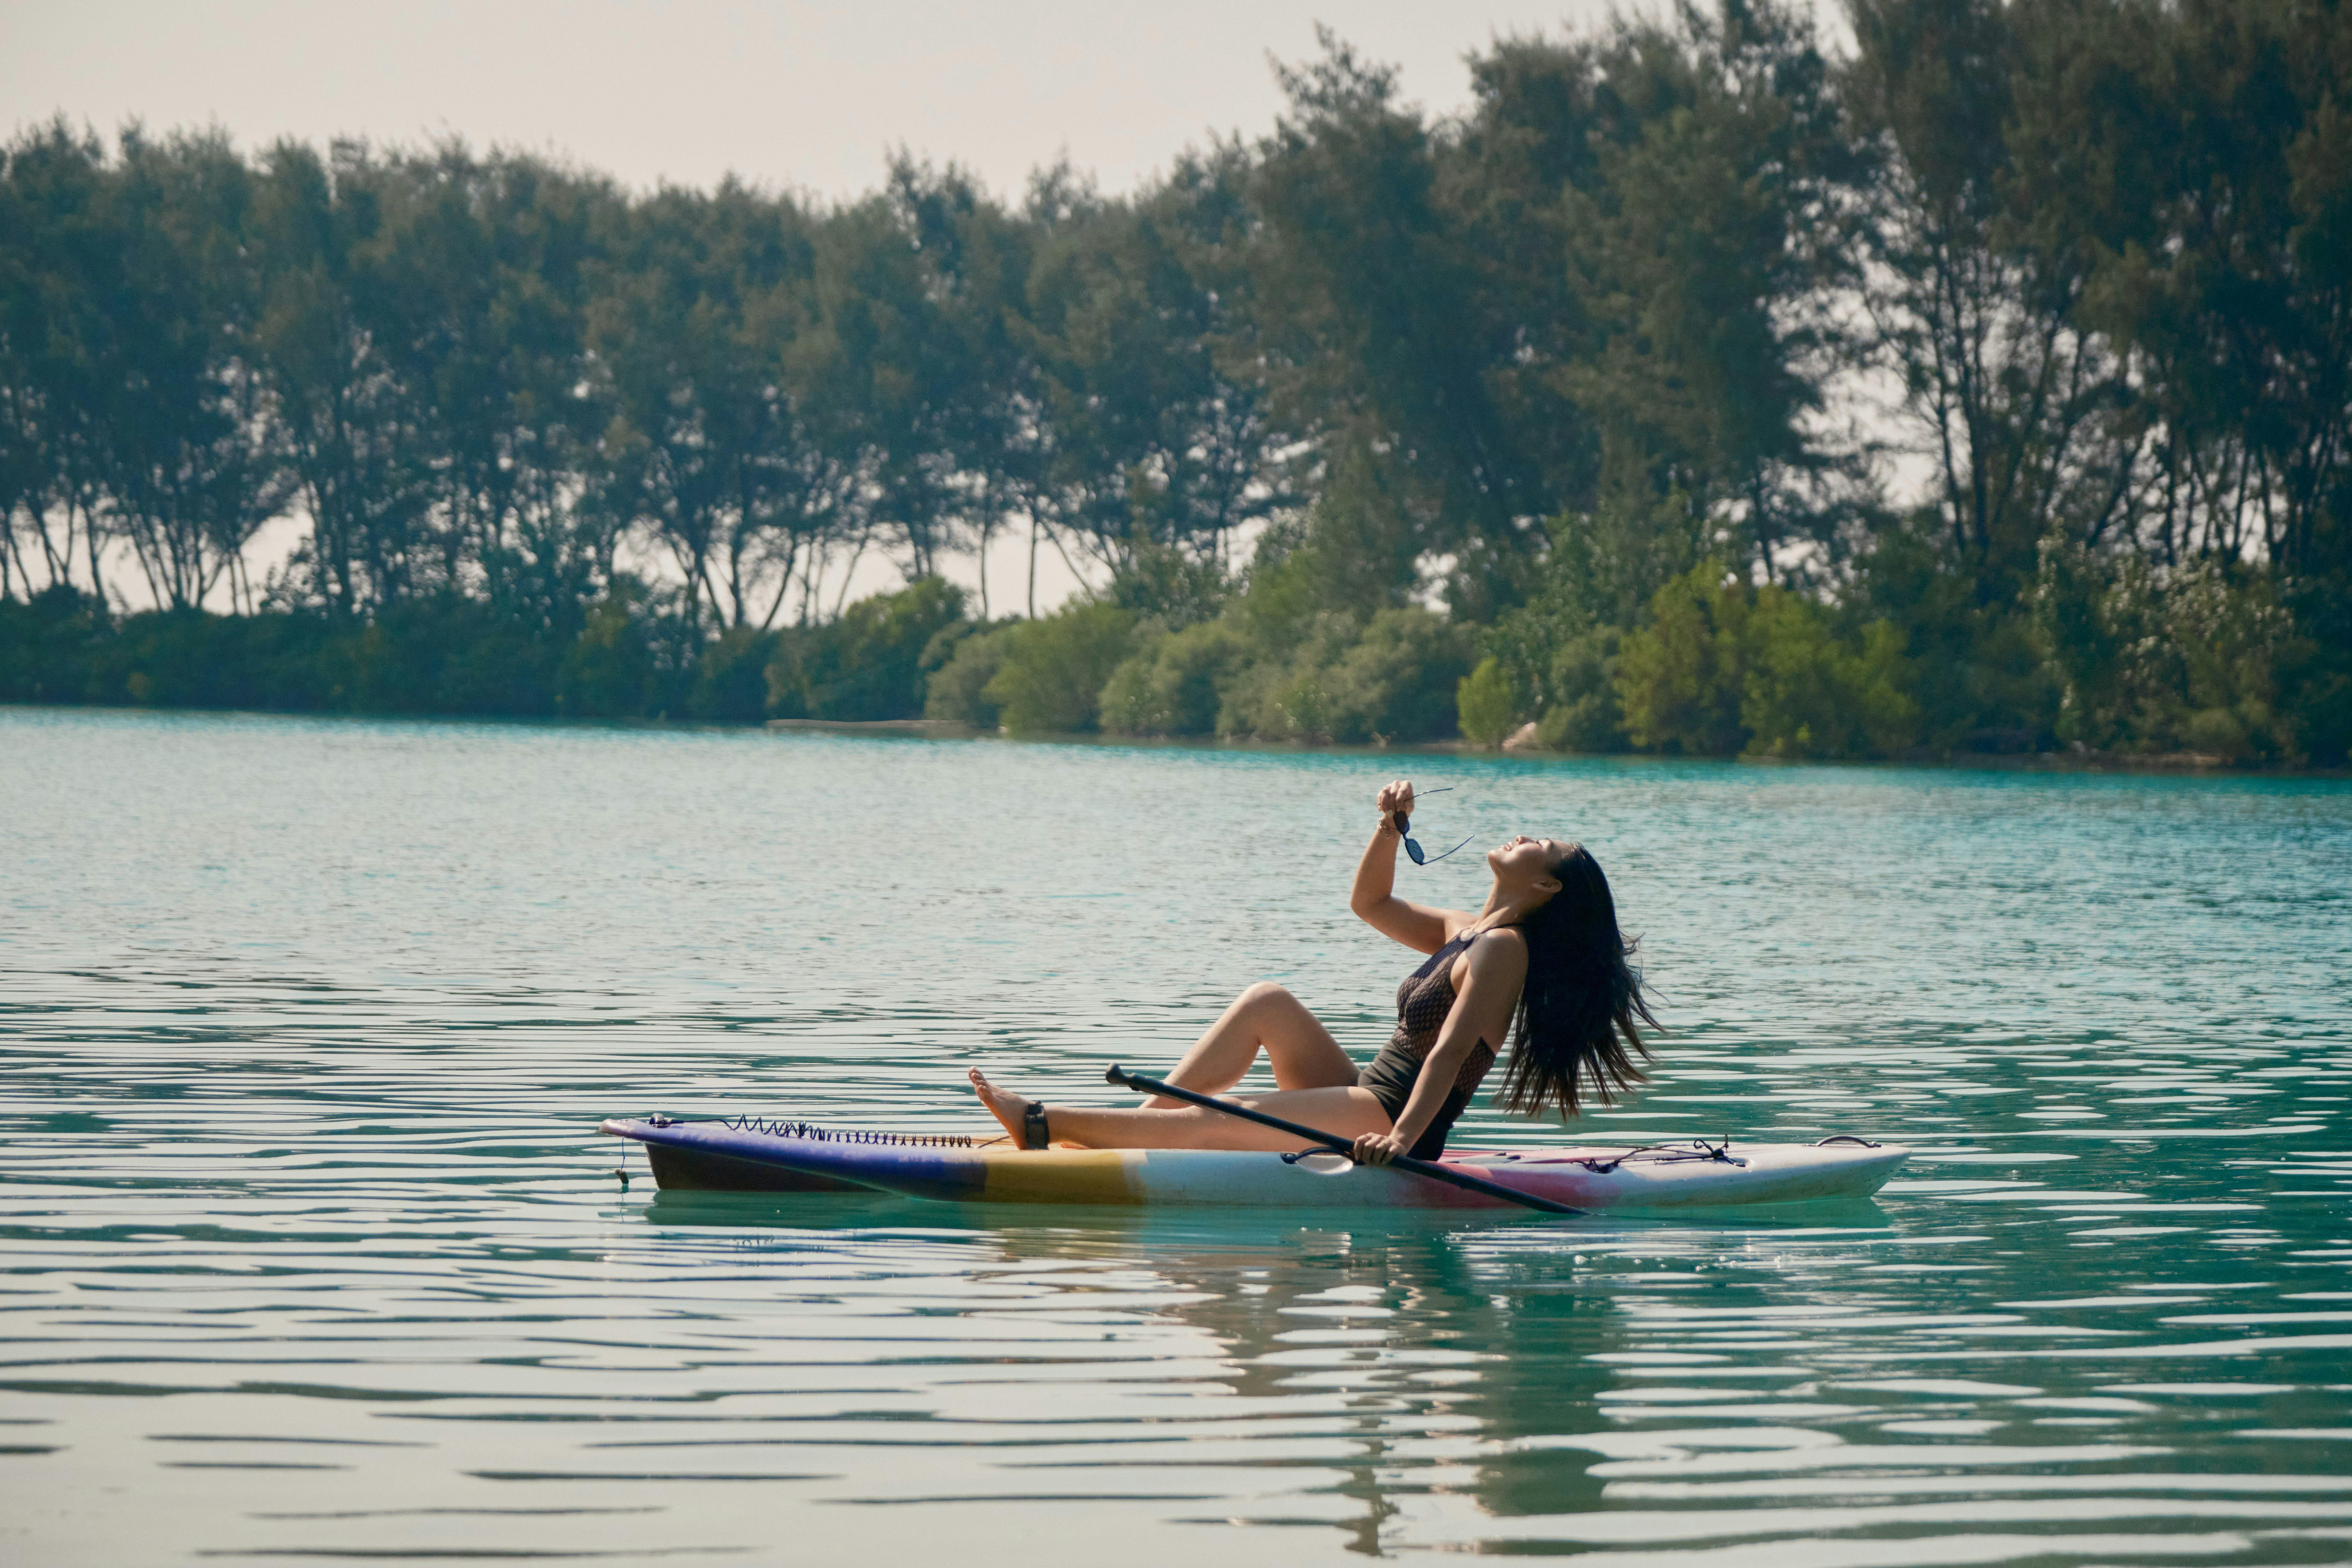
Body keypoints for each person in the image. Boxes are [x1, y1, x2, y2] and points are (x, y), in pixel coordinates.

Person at [968, 779, 1656, 1165]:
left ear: (1548, 889)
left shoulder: (1506, 950)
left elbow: (1448, 1056)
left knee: (1225, 1120)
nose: (1525, 836)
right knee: (1267, 1001)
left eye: (1544, 846)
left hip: (1389, 1116)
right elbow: (1371, 903)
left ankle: (1043, 1123)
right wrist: (1390, 827)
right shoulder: (1465, 930)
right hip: (1361, 1092)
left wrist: (1399, 1141)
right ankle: (1121, 1132)